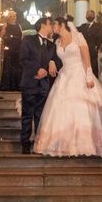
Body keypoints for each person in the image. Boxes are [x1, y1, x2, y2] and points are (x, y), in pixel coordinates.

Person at [34, 17, 102, 157]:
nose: (53, 27)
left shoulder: (78, 37)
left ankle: (87, 144)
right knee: (61, 109)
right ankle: (61, 144)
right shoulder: (56, 41)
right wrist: (51, 61)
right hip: (64, 76)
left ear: (62, 24)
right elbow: (52, 55)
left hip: (79, 74)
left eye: (55, 25)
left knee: (81, 108)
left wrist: (88, 75)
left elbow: (86, 57)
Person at [19, 17, 58, 154]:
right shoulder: (28, 40)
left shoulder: (52, 45)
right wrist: (38, 69)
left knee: (41, 115)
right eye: (50, 24)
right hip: (30, 82)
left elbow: (54, 61)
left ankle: (39, 143)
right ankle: (25, 143)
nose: (52, 27)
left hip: (44, 84)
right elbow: (23, 59)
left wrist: (51, 63)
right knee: (27, 114)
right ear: (43, 25)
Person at [77, 9, 102, 78]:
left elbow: (101, 37)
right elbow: (75, 31)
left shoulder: (99, 26)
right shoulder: (82, 26)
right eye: (87, 14)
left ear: (94, 16)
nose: (88, 16)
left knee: (93, 68)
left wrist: (97, 47)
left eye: (90, 14)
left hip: (93, 51)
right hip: (83, 51)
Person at [0, 10, 23, 91]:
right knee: (8, 67)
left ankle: (17, 86)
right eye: (11, 16)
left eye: (14, 16)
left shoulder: (19, 26)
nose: (13, 18)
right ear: (8, 17)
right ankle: (7, 86)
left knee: (17, 68)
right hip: (8, 49)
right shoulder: (5, 25)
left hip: (17, 49)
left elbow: (21, 37)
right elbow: (2, 35)